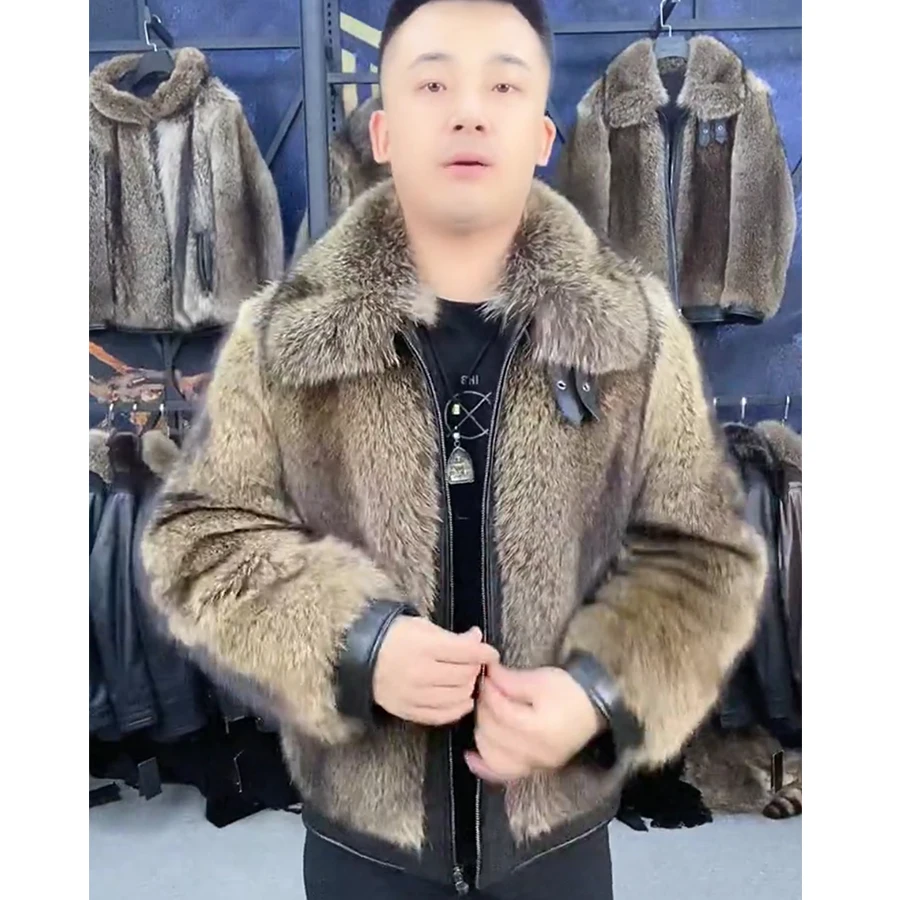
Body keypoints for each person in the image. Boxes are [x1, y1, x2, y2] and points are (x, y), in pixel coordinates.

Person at [140, 1, 767, 897]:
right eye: (433, 84)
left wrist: (598, 694)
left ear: (542, 135)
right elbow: (199, 543)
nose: (469, 111)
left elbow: (705, 558)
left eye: (503, 87)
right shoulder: (282, 336)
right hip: (364, 852)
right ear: (384, 131)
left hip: (557, 848)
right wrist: (356, 645)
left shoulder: (632, 332)